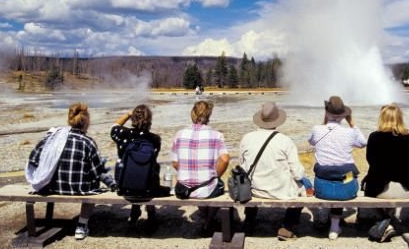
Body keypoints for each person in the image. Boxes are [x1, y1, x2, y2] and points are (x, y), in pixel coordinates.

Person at [27, 103, 108, 240]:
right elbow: (98, 172)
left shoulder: (52, 138)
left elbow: (33, 160)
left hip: (50, 187)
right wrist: (112, 184)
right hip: (78, 189)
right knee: (93, 182)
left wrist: (48, 169)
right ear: (87, 121)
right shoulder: (88, 142)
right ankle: (82, 225)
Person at [239, 102, 310, 241]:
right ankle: (287, 226)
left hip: (253, 190)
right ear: (278, 121)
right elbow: (297, 173)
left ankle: (249, 220)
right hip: (281, 191)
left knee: (249, 179)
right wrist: (304, 178)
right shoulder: (285, 141)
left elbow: (242, 167)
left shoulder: (247, 138)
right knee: (305, 188)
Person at [308, 95, 367, 240]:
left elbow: (311, 142)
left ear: (326, 113)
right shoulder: (350, 132)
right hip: (346, 187)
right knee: (346, 175)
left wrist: (324, 122)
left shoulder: (317, 129)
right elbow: (363, 143)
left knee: (328, 173)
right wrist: (352, 122)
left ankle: (323, 216)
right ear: (344, 115)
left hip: (322, 186)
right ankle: (334, 227)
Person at [361, 104, 409, 243]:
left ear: (382, 118)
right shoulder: (408, 138)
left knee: (368, 187)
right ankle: (390, 220)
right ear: (400, 118)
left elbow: (370, 161)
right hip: (406, 190)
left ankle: (385, 219)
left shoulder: (374, 137)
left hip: (380, 190)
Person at [170, 100, 230, 232]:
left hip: (184, 189)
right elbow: (225, 160)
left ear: (192, 114)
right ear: (209, 115)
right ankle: (208, 221)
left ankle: (204, 215)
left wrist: (187, 172)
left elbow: (174, 162)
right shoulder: (217, 135)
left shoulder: (179, 134)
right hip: (206, 189)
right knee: (217, 185)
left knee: (205, 185)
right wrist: (216, 176)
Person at [111, 104, 169, 227]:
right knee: (148, 168)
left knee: (126, 165)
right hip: (147, 190)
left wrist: (128, 114)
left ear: (133, 119)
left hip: (124, 188)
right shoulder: (155, 139)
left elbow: (114, 127)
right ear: (150, 121)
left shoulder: (123, 134)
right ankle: (151, 210)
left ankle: (135, 210)